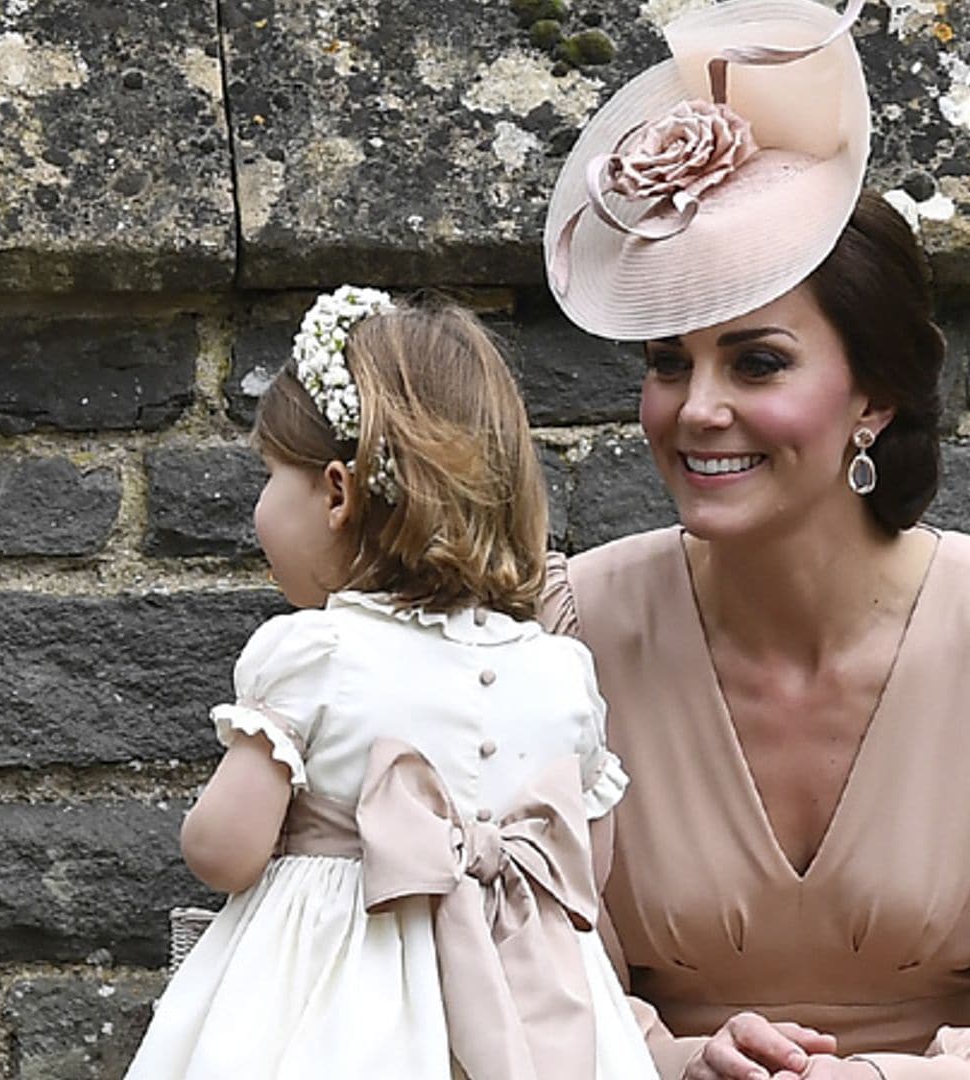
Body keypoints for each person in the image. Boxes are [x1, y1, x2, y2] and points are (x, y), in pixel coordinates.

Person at [538, 2, 970, 1079]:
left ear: (874, 396)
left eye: (756, 363)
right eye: (669, 362)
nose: (695, 409)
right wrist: (680, 1063)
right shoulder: (570, 632)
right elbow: (531, 989)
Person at [125, 288, 659, 1080]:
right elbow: (585, 865)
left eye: (271, 477)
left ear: (337, 491)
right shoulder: (560, 671)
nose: (260, 507)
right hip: (529, 995)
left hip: (338, 1010)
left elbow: (225, 851)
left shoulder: (315, 654)